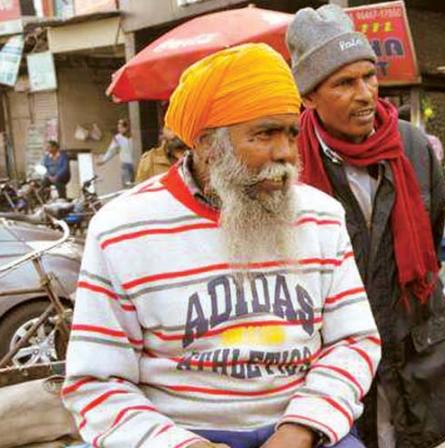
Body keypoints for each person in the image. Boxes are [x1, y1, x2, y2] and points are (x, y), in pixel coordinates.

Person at [62, 43, 380, 448]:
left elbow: (354, 342)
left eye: (291, 133)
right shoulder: (122, 229)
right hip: (176, 434)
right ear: (207, 144)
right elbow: (96, 381)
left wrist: (300, 429)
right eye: (264, 134)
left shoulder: (321, 216)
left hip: (304, 430)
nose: (284, 154)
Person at [286, 6, 445, 448]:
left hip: (413, 352)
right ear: (309, 96)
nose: (365, 94)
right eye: (344, 83)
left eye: (369, 76)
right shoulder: (292, 162)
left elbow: (432, 232)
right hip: (335, 362)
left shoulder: (413, 146)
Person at [98, 118, 135, 186]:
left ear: (127, 127)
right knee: (127, 184)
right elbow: (111, 150)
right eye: (118, 128)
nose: (119, 129)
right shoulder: (118, 138)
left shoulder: (135, 137)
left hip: (136, 163)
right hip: (125, 164)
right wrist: (104, 160)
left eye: (121, 127)